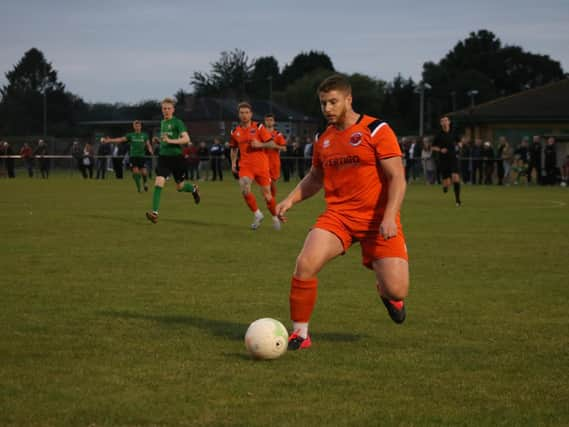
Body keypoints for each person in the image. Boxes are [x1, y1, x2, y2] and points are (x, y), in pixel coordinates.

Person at [276, 74, 409, 350]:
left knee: (397, 289)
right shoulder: (322, 137)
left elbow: (397, 177)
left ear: (349, 100)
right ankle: (300, 335)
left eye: (333, 102)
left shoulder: (376, 129)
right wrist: (290, 200)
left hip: (378, 219)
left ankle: (387, 293)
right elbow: (315, 177)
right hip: (339, 217)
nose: (327, 109)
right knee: (305, 263)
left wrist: (388, 216)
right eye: (323, 103)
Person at [145, 98, 200, 224]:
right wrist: (159, 141)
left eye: (169, 108)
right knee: (159, 182)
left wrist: (170, 141)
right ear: (162, 109)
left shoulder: (178, 122)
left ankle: (193, 189)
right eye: (164, 108)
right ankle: (154, 213)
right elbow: (166, 140)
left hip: (177, 158)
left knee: (180, 187)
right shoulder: (162, 122)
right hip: (164, 158)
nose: (166, 111)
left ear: (173, 110)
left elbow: (186, 139)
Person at [229, 102, 282, 230]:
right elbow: (234, 149)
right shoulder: (235, 131)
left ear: (251, 114)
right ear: (238, 114)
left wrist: (260, 145)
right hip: (246, 166)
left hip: (262, 166)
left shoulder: (259, 127)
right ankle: (257, 214)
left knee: (268, 196)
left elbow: (271, 144)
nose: (244, 115)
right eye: (242, 113)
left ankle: (274, 217)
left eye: (247, 113)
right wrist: (233, 163)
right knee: (244, 188)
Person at [102, 120, 154, 192]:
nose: (137, 127)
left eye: (138, 126)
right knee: (136, 173)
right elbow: (120, 139)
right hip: (133, 156)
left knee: (144, 172)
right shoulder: (130, 135)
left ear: (141, 126)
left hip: (141, 156)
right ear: (133, 127)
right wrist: (110, 140)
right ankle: (139, 189)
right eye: (136, 126)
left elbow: (148, 144)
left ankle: (145, 183)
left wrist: (150, 149)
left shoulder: (144, 135)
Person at [432, 115, 462, 206]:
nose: (445, 122)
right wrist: (440, 150)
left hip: (453, 158)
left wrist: (459, 145)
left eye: (446, 120)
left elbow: (459, 141)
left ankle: (458, 201)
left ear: (449, 122)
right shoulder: (438, 135)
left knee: (456, 178)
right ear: (441, 123)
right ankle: (445, 187)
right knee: (447, 183)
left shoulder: (453, 133)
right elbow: (433, 147)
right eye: (443, 121)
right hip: (443, 160)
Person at [263, 113, 287, 197]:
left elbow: (284, 148)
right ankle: (269, 200)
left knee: (272, 183)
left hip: (274, 162)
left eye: (271, 120)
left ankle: (272, 200)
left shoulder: (278, 134)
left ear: (274, 122)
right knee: (265, 182)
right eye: (267, 120)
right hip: (263, 162)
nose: (269, 122)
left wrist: (275, 146)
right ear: (264, 122)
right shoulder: (260, 134)